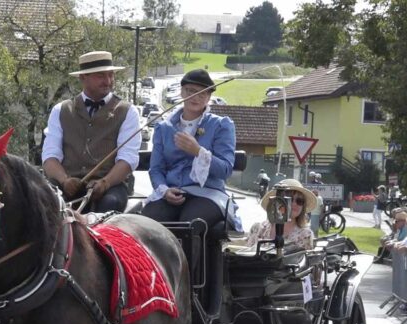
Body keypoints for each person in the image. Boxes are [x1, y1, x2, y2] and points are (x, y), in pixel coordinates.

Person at [142, 69, 239, 235]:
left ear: (209, 97)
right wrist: (164, 190)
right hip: (172, 192)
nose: (196, 97)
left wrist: (198, 151)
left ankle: (190, 262)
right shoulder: (164, 128)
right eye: (191, 91)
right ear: (181, 91)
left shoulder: (221, 126)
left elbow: (225, 170)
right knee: (149, 221)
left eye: (202, 93)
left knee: (191, 223)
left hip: (208, 194)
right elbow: (156, 169)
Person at [41, 51, 140, 213]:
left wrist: (105, 182)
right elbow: (50, 156)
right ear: (83, 78)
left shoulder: (127, 112)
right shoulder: (61, 110)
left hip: (110, 187)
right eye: (101, 76)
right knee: (41, 206)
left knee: (110, 205)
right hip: (66, 184)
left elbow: (128, 159)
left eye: (110, 75)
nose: (108, 81)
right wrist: (64, 180)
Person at [246, 179, 317, 252]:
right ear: (276, 201)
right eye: (289, 199)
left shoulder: (306, 235)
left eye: (299, 201)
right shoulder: (257, 229)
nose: (294, 204)